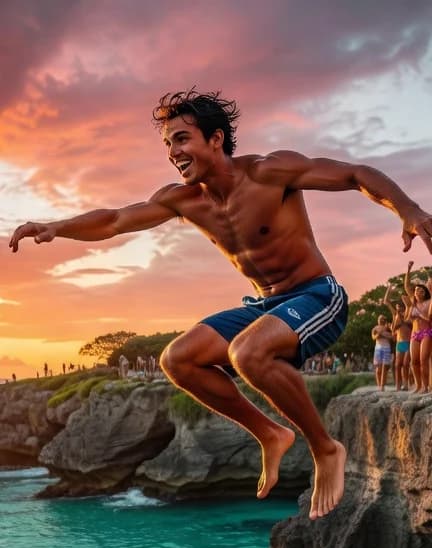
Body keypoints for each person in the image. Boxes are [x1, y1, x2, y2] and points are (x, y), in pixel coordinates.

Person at [8, 89, 432, 519]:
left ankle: (325, 449)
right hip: (266, 306)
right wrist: (56, 227)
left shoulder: (270, 171)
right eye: (168, 144)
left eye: (181, 139)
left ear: (215, 140)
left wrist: (409, 210)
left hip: (318, 295)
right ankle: (269, 434)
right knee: (177, 359)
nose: (173, 152)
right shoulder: (183, 199)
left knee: (246, 352)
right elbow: (116, 220)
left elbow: (355, 174)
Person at [404, 261, 432, 393]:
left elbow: (429, 318)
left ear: (424, 292)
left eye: (421, 290)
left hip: (427, 332)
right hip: (414, 334)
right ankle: (418, 385)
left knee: (423, 360)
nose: (417, 292)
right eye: (416, 290)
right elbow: (406, 286)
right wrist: (409, 270)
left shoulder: (429, 302)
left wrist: (420, 316)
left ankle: (426, 386)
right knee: (413, 361)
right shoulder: (413, 303)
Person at [383, 284, 412, 391]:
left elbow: (410, 323)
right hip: (400, 343)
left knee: (405, 364)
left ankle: (406, 384)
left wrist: (402, 317)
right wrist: (389, 290)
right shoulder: (395, 315)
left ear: (404, 307)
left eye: (400, 307)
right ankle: (398, 386)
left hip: (408, 342)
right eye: (397, 307)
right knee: (397, 365)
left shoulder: (408, 314)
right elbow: (386, 301)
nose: (398, 309)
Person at [371, 314, 393, 390]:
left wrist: (384, 334)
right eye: (379, 318)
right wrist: (379, 334)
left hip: (386, 347)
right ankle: (379, 384)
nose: (381, 320)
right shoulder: (375, 328)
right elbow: (373, 337)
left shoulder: (388, 328)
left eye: (382, 319)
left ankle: (382, 385)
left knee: (384, 368)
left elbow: (392, 337)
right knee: (378, 368)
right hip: (378, 348)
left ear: (384, 320)